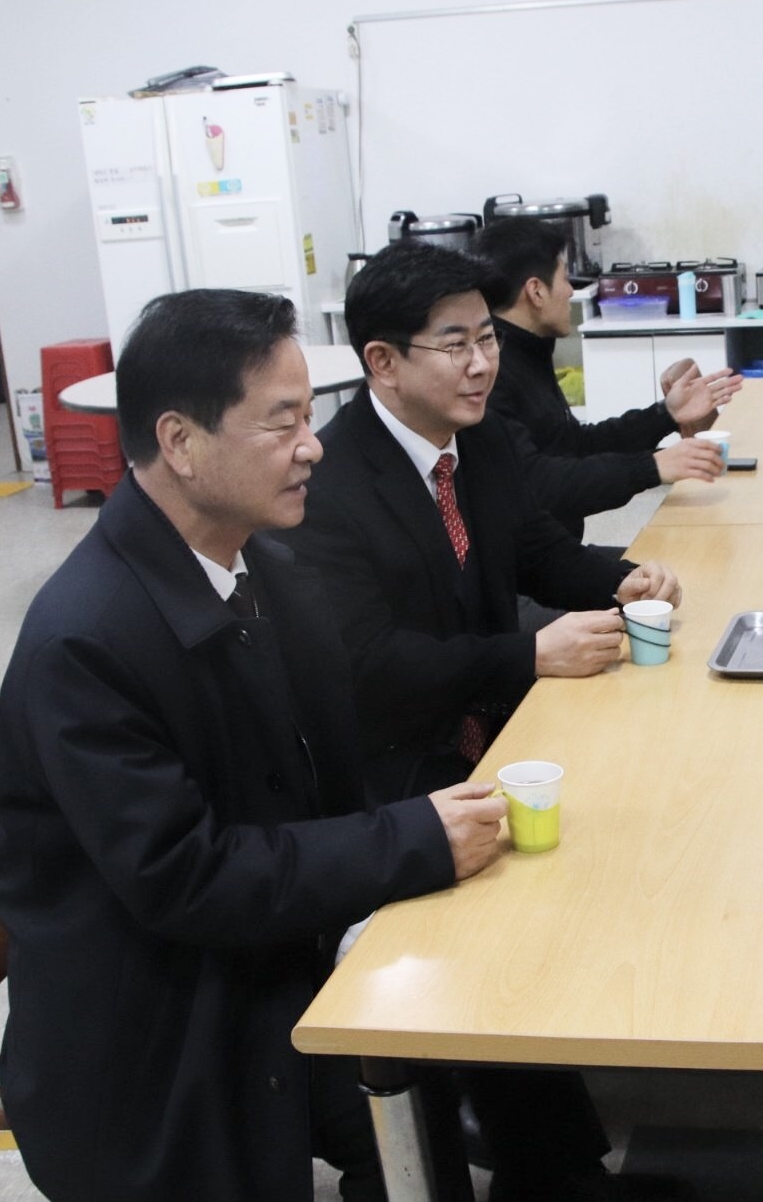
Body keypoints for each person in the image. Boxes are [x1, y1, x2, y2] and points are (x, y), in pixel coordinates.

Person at [0, 289, 508, 1202]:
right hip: (154, 1034)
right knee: (401, 1090)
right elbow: (186, 878)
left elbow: (316, 780)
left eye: (310, 418)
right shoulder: (87, 642)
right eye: (282, 422)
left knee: (434, 1064)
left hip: (256, 956)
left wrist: (418, 829)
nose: (313, 447)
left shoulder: (263, 567)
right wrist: (411, 839)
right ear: (181, 442)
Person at [281, 240, 680, 804]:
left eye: (487, 338)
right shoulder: (326, 489)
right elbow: (371, 662)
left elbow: (534, 547)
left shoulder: (481, 435)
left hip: (501, 720)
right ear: (384, 362)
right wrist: (531, 654)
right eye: (456, 345)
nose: (483, 364)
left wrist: (621, 581)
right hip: (405, 765)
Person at [473, 216, 742, 541]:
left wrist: (666, 414)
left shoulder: (527, 352)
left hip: (560, 554)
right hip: (536, 566)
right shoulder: (493, 373)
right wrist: (652, 466)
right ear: (536, 291)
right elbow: (538, 484)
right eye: (564, 279)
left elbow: (576, 446)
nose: (570, 291)